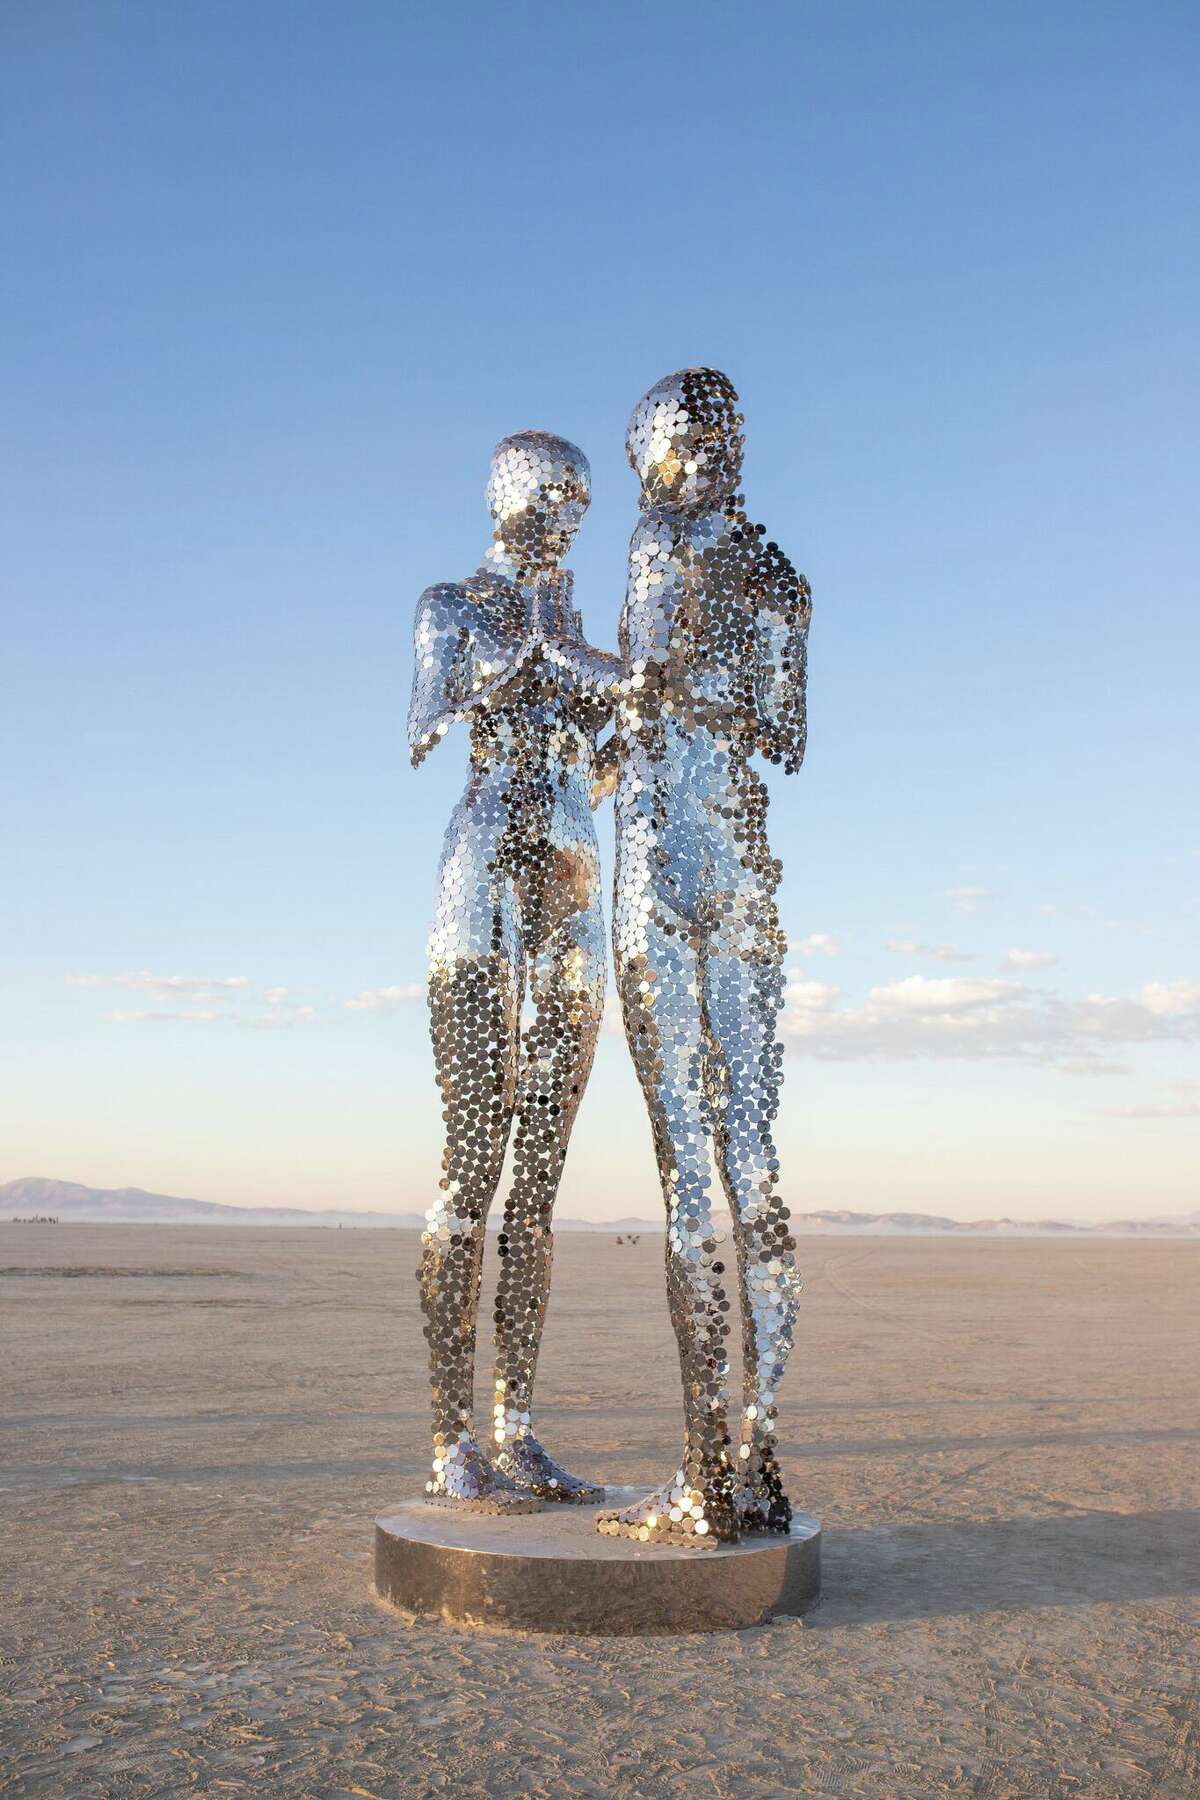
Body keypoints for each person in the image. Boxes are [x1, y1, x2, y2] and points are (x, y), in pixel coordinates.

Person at [596, 368, 812, 1546]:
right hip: (744, 854)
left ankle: (703, 1482)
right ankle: (760, 1456)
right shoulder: (780, 575)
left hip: (669, 865)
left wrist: (595, 676)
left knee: (692, 1178)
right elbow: (783, 731)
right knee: (759, 1168)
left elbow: (644, 692)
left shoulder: (659, 535)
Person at [408, 431, 621, 1512]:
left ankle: (518, 1428)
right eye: (557, 497)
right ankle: (452, 1438)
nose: (570, 518)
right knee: (470, 1165)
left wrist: (624, 695)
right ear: (511, 496)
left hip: (574, 881)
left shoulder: (575, 629)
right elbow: (432, 712)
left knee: (538, 1187)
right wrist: (540, 641)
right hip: (484, 877)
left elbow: (618, 740)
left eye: (583, 503)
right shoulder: (455, 603)